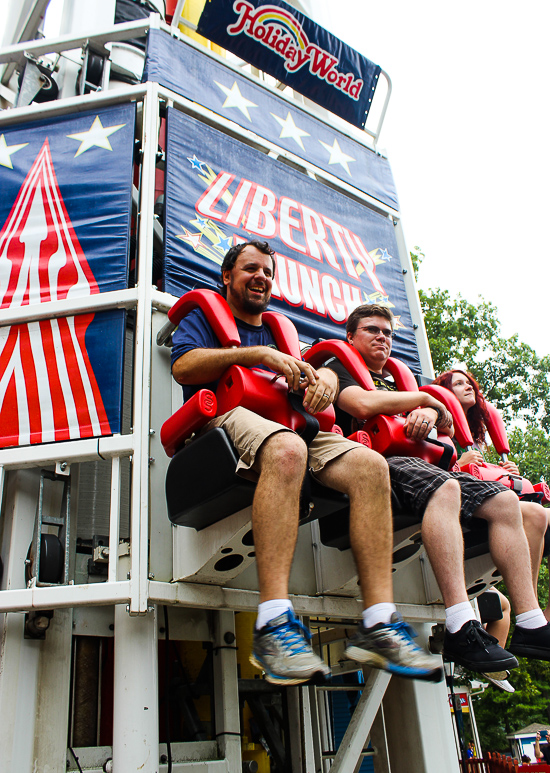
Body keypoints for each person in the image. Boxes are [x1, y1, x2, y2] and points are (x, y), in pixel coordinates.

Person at [170, 241, 443, 685]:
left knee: (372, 466)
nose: (261, 277)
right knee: (288, 449)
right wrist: (254, 355)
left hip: (285, 424)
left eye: (268, 272)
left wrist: (323, 382)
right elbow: (184, 367)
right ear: (227, 277)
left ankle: (378, 622)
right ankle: (274, 623)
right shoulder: (207, 317)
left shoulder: (283, 331)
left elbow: (329, 373)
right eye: (250, 269)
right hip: (224, 418)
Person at [324, 303, 550, 671]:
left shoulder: (400, 379)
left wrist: (430, 411)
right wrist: (424, 401)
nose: (382, 337)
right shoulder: (338, 366)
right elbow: (361, 404)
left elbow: (444, 426)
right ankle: (461, 624)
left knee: (506, 501)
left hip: (424, 463)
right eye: (372, 330)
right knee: (445, 488)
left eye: (387, 332)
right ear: (351, 336)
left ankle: (530, 621)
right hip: (375, 461)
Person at [432, 369, 548, 595]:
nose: (469, 387)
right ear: (445, 393)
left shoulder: (474, 441)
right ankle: (530, 604)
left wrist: (507, 471)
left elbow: (481, 475)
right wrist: (460, 463)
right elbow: (431, 475)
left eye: (469, 384)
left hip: (487, 498)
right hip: (461, 507)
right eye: (459, 384)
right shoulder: (439, 430)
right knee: (536, 513)